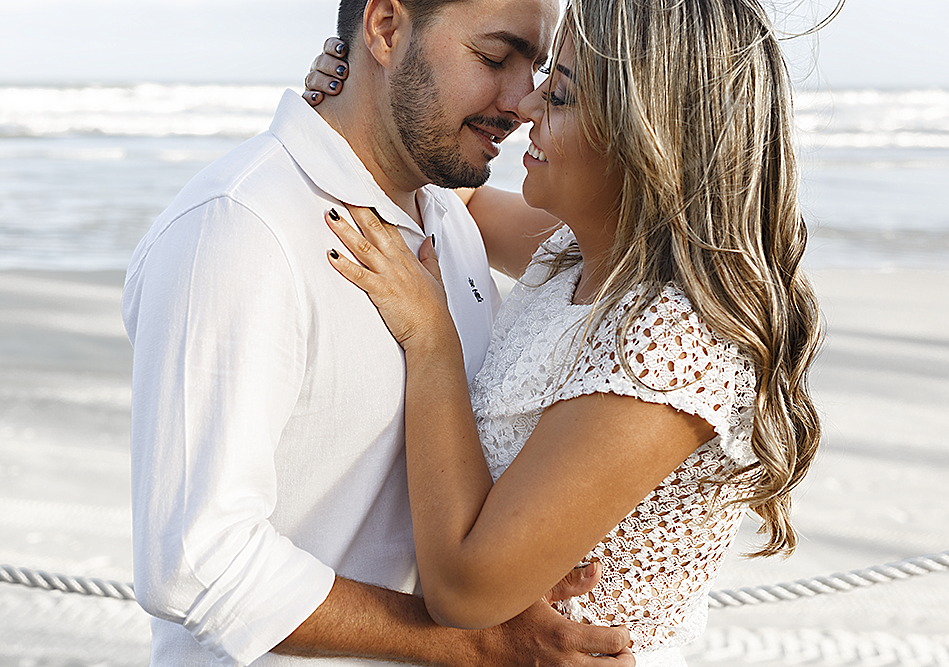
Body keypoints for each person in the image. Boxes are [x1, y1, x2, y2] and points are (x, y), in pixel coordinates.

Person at [122, 0, 635, 664]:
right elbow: (196, 560)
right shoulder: (241, 228)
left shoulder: (447, 213)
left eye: (536, 66)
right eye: (493, 57)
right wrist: (476, 644)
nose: (522, 101)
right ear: (387, 27)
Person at [320, 0, 824, 664]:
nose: (525, 106)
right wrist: (361, 89)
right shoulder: (580, 256)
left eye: (559, 94)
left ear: (647, 138)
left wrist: (432, 339)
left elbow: (464, 591)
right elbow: (450, 191)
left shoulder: (667, 347)